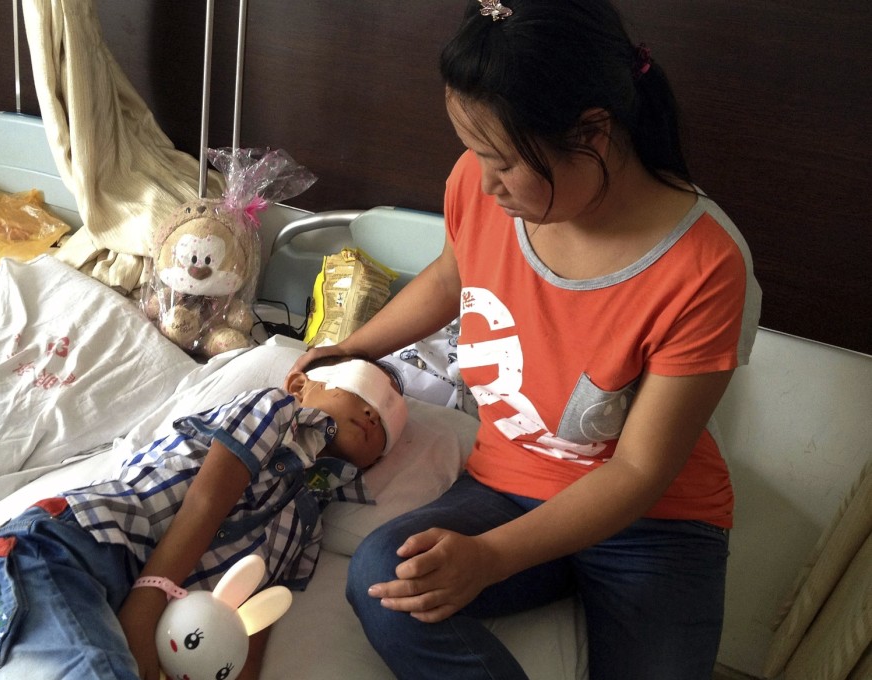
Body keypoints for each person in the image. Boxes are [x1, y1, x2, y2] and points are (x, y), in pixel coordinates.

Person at [290, 1, 761, 678]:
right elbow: (453, 275)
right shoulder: (479, 191)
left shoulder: (705, 265)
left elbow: (637, 472)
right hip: (511, 485)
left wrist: (493, 559)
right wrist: (354, 348)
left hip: (651, 523)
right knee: (384, 580)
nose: (483, 182)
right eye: (474, 153)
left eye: (502, 160)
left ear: (592, 133)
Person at [0, 355, 408, 680]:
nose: (374, 411)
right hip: (63, 555)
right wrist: (150, 599)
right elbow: (208, 497)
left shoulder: (307, 524)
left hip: (48, 618)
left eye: (386, 422)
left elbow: (251, 615)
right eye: (363, 388)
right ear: (300, 385)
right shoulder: (274, 410)